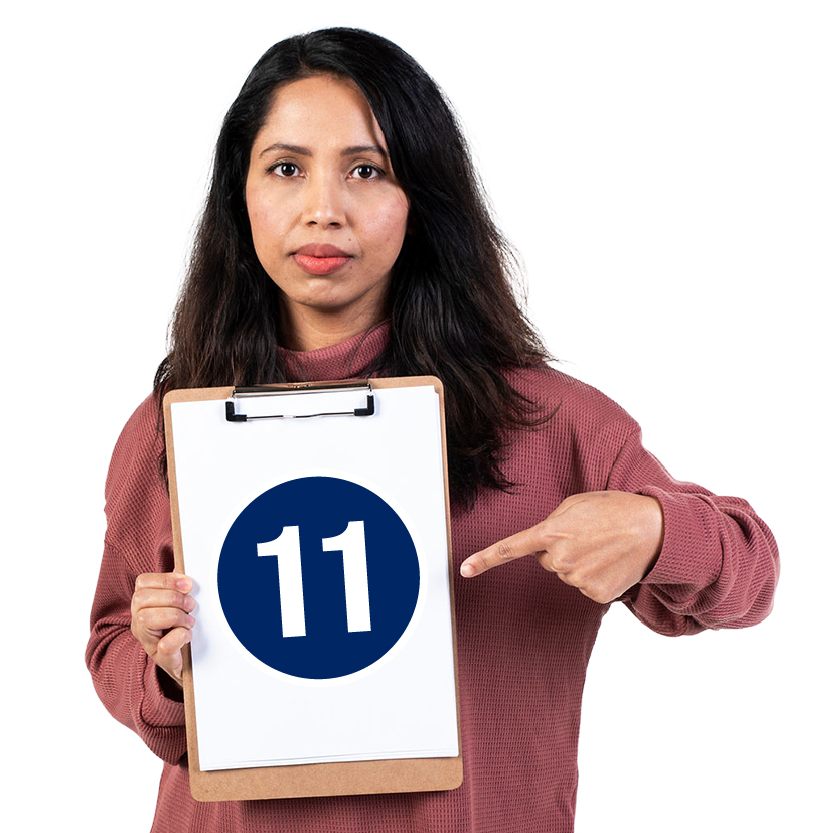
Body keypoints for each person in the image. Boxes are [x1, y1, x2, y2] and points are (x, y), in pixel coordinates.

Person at [86, 27, 779, 833]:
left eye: (365, 169)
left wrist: (658, 529)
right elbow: (114, 650)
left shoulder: (550, 420)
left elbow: (750, 576)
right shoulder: (174, 427)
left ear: (421, 198)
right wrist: (166, 667)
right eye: (285, 167)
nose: (322, 208)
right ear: (238, 197)